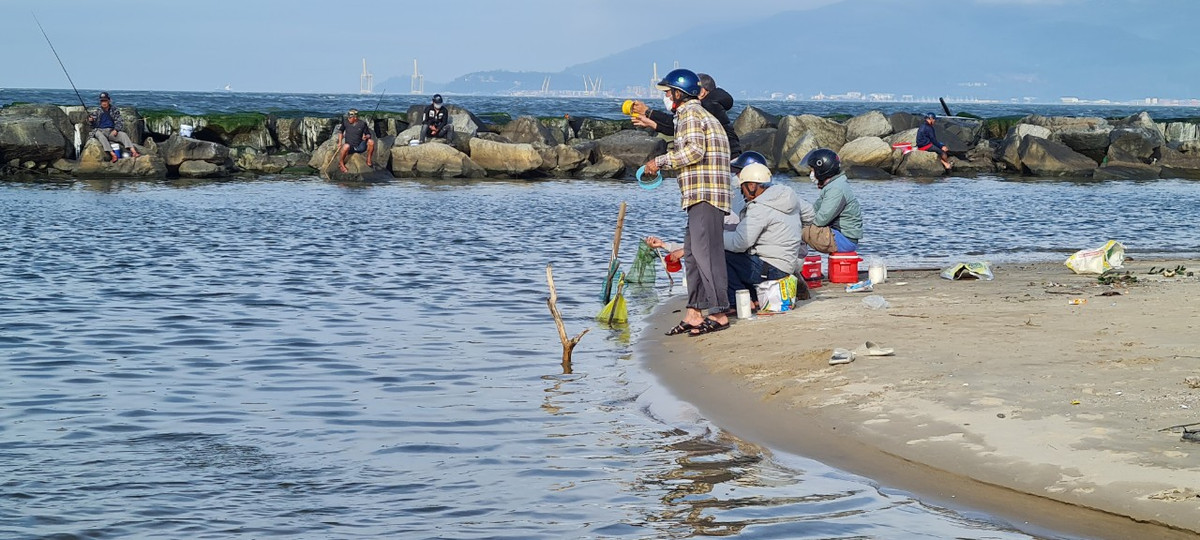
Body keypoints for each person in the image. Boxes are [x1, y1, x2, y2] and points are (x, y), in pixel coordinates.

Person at [642, 68, 732, 337]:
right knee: (692, 256)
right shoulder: (692, 113)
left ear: (680, 93)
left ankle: (718, 313)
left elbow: (694, 151)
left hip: (706, 193)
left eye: (669, 92)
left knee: (707, 256)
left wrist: (659, 162)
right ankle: (694, 312)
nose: (667, 96)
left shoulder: (691, 114)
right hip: (699, 194)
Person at [723, 163, 814, 309]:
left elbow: (740, 243)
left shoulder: (759, 207)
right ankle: (757, 298)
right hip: (788, 266)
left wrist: (717, 238)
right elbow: (810, 214)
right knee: (746, 257)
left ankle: (739, 301)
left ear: (752, 186)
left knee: (722, 255)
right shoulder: (787, 195)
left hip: (771, 269)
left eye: (743, 188)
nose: (743, 194)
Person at [630, 73, 741, 158]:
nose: (669, 96)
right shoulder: (709, 104)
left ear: (701, 92)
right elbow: (679, 127)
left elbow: (677, 123)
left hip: (728, 158)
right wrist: (652, 124)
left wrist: (648, 112)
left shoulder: (706, 106)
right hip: (726, 156)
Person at [801, 148, 863, 254]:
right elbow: (814, 210)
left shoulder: (836, 189)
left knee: (793, 229)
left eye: (812, 170)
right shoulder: (832, 186)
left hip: (844, 240)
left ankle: (789, 265)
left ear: (822, 170)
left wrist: (801, 225)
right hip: (838, 235)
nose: (811, 173)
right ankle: (797, 264)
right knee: (795, 224)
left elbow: (821, 219)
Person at [87, 92, 139, 163]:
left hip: (111, 131)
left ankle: (134, 152)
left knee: (123, 135)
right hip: (100, 130)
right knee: (100, 136)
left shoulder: (114, 110)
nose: (103, 103)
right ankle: (113, 155)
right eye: (102, 101)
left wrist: (116, 130)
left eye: (105, 100)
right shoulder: (97, 111)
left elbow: (119, 121)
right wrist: (91, 120)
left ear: (109, 100)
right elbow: (92, 124)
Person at [336, 108, 375, 173]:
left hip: (359, 146)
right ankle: (341, 163)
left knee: (371, 142)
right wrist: (340, 142)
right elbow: (340, 131)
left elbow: (368, 134)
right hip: (350, 147)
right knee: (346, 146)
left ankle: (368, 160)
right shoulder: (345, 122)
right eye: (348, 117)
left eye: (350, 118)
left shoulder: (362, 124)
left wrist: (366, 136)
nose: (349, 119)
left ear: (355, 118)